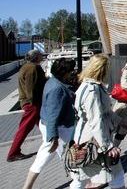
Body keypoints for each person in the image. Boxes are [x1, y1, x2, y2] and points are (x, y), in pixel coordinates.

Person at [69, 54, 125, 189]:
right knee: (114, 177)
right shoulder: (92, 90)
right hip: (95, 142)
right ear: (102, 69)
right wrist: (107, 146)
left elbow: (104, 112)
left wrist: (119, 120)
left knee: (87, 178)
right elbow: (95, 119)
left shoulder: (88, 86)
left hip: (89, 140)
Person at [23, 58, 77, 189]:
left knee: (62, 154)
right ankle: (77, 179)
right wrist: (54, 137)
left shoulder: (52, 81)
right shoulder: (57, 88)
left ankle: (76, 178)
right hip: (59, 127)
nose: (73, 72)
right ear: (64, 72)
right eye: (71, 70)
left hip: (54, 125)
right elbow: (53, 114)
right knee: (48, 155)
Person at [7, 49, 47, 162]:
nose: (42, 56)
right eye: (40, 55)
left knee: (42, 124)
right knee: (24, 128)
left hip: (30, 103)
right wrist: (32, 103)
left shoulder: (27, 67)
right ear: (36, 57)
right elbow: (31, 88)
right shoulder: (32, 69)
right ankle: (13, 153)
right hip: (32, 104)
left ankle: (52, 142)